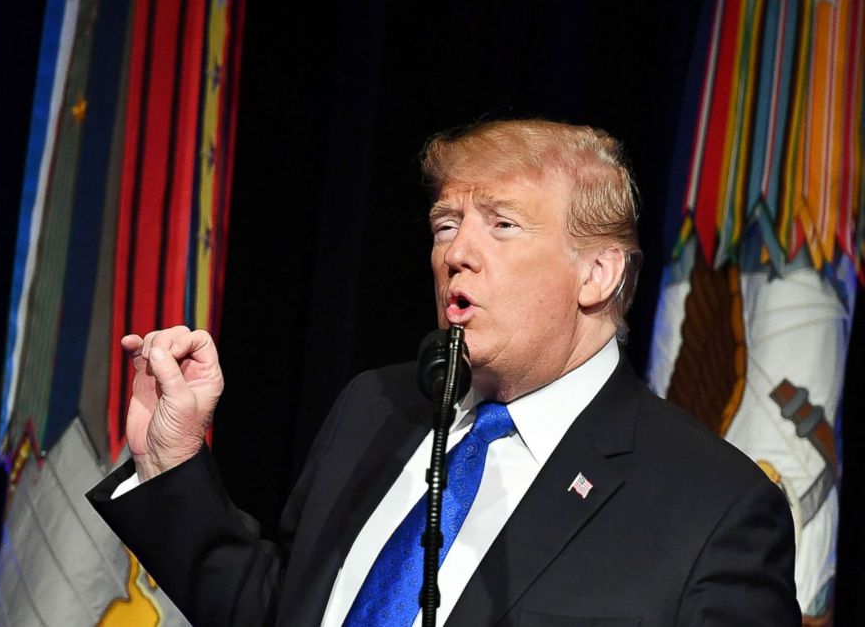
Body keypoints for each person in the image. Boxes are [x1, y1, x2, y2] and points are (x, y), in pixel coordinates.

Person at [87, 118, 800, 626]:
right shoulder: (380, 406)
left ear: (598, 272)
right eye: (445, 224)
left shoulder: (713, 508)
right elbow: (285, 609)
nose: (457, 252)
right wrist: (173, 461)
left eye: (502, 224)